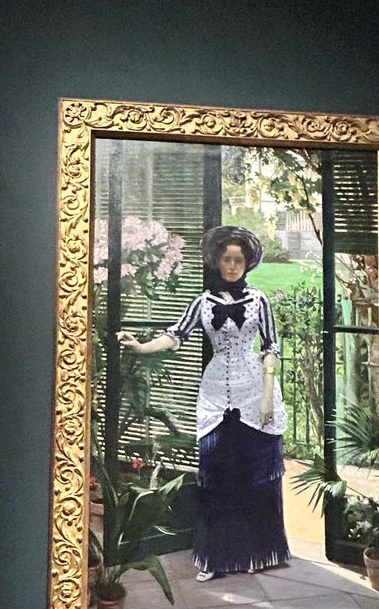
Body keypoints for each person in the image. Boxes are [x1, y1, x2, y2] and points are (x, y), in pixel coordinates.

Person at [117, 225, 291, 582]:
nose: (232, 266)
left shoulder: (259, 300)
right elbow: (174, 335)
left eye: (238, 260)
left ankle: (255, 552)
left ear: (247, 263)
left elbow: (271, 347)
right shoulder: (203, 302)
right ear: (217, 261)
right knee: (216, 474)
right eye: (227, 259)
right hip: (215, 394)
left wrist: (267, 395)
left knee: (254, 475)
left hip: (254, 389)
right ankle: (215, 557)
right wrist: (141, 347)